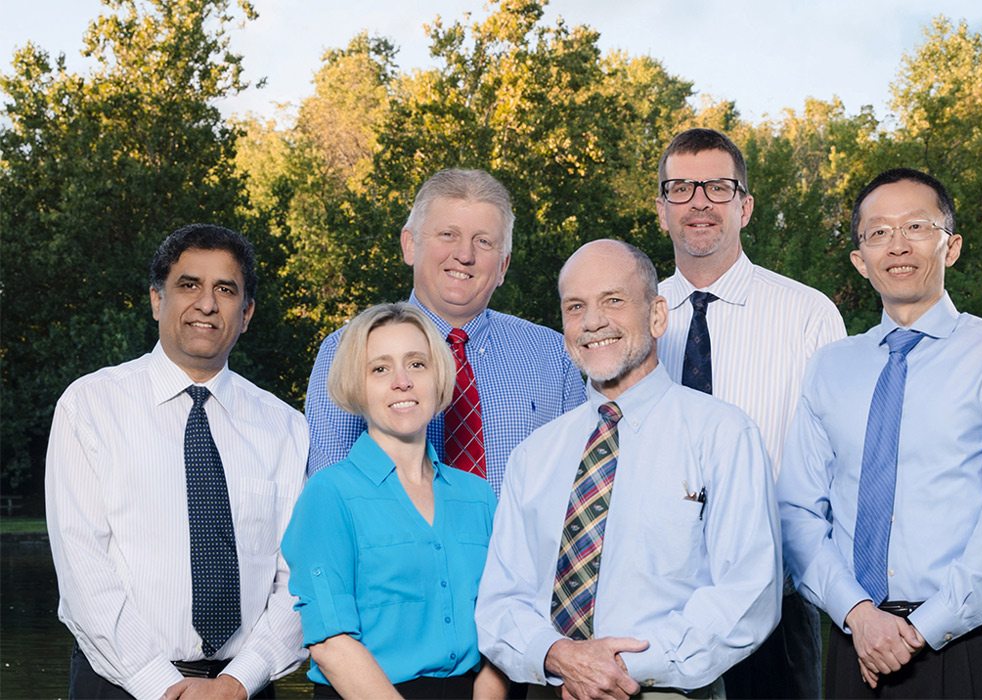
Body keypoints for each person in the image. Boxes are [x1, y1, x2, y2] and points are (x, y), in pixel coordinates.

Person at [777, 168, 982, 698]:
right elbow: (798, 512)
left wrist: (921, 629)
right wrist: (858, 614)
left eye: (916, 227)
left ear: (950, 247)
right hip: (854, 641)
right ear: (861, 260)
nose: (897, 245)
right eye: (878, 232)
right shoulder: (829, 368)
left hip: (960, 644)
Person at [476, 239, 781, 700]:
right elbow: (501, 602)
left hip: (663, 689)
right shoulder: (534, 456)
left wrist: (618, 667)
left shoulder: (723, 434)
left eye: (613, 301)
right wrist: (558, 656)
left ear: (657, 315)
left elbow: (748, 592)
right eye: (576, 307)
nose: (593, 321)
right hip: (550, 687)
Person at [45, 224, 307, 700]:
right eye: (188, 285)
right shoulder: (89, 407)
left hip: (243, 688)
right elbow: (84, 569)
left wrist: (238, 680)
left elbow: (298, 577)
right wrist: (161, 684)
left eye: (225, 290)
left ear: (246, 313)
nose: (207, 304)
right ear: (156, 300)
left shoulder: (286, 427)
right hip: (121, 684)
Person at [655, 127, 845, 698]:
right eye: (681, 188)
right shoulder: (631, 319)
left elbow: (836, 465)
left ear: (746, 206)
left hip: (777, 606)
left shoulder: (808, 316)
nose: (700, 202)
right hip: (659, 607)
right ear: (661, 208)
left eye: (718, 186)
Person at [305, 168, 585, 495]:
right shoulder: (348, 350)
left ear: (503, 266)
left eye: (483, 241)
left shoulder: (553, 355)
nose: (465, 255)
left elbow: (576, 489)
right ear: (410, 245)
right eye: (448, 235)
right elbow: (334, 493)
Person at [282, 302, 505, 699]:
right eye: (380, 368)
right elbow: (331, 644)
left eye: (417, 364)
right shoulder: (329, 495)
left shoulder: (478, 496)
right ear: (357, 385)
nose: (402, 381)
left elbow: (501, 620)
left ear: (438, 377)